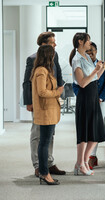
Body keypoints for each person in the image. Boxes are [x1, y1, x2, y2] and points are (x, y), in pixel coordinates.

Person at [23, 32, 66, 177]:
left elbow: (58, 74)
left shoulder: (55, 56)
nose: (55, 44)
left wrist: (60, 93)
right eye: (53, 42)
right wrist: (29, 101)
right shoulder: (33, 59)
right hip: (39, 102)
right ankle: (38, 165)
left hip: (52, 100)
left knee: (49, 134)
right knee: (37, 134)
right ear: (43, 44)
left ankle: (48, 162)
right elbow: (27, 82)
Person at [69, 32, 105, 176]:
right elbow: (82, 82)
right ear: (80, 42)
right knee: (84, 133)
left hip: (93, 97)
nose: (90, 43)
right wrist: (95, 70)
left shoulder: (86, 57)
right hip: (85, 98)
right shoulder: (77, 60)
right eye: (88, 40)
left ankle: (83, 162)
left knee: (96, 133)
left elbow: (96, 77)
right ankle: (81, 163)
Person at [30, 45, 64, 185]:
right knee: (44, 143)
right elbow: (42, 92)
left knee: (45, 142)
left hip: (49, 111)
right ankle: (44, 173)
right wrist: (58, 92)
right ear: (48, 56)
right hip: (45, 112)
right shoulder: (41, 71)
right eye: (52, 55)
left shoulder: (44, 70)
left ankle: (45, 172)